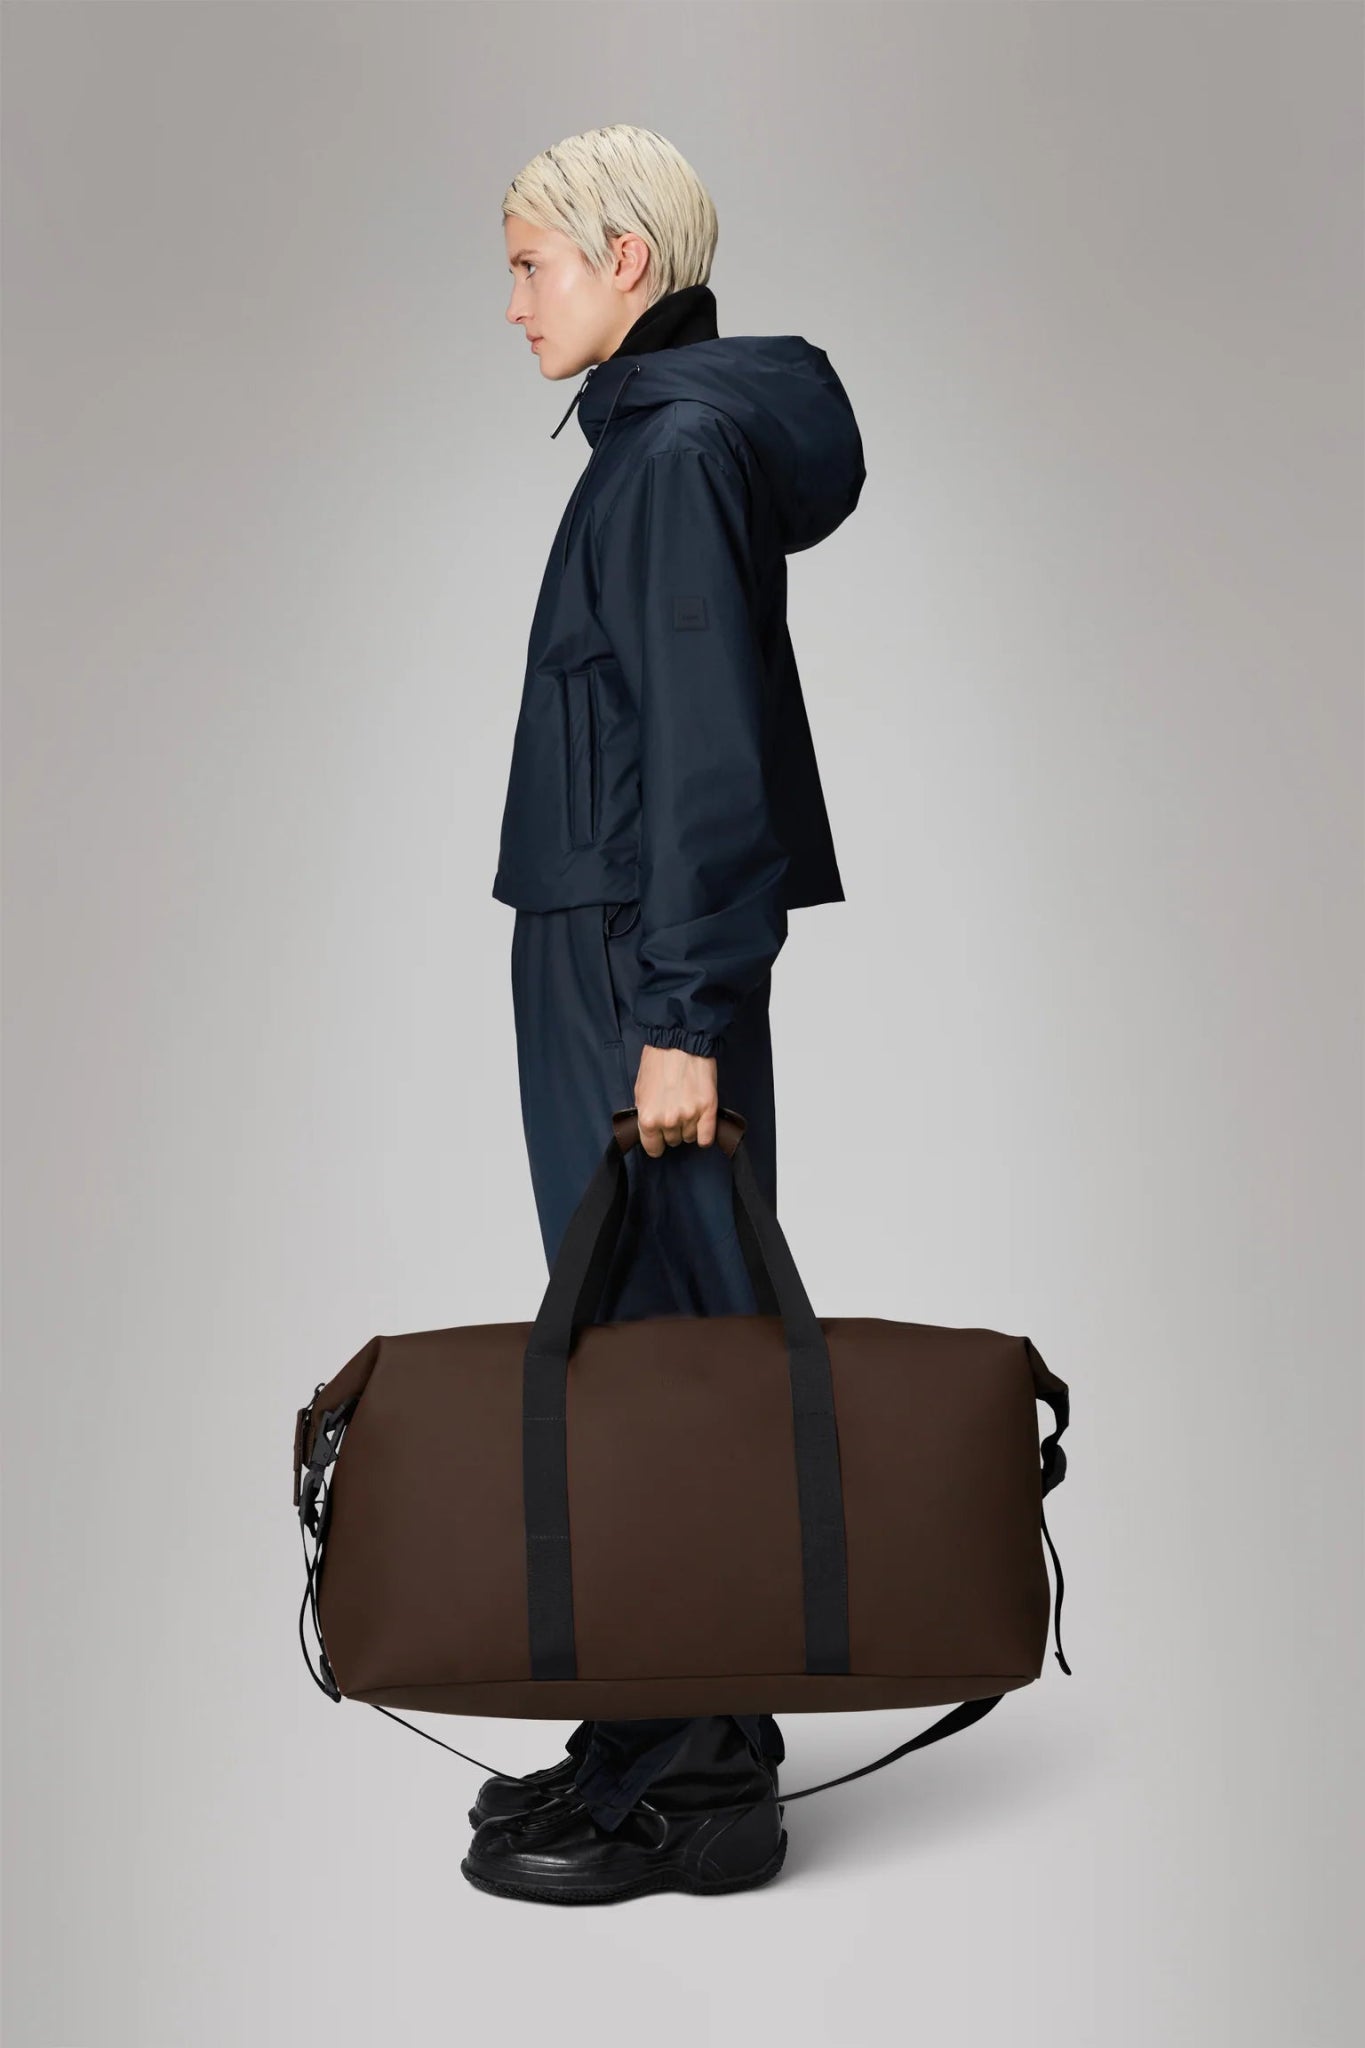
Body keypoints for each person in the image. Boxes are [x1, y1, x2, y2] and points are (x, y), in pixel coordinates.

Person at [461, 124, 864, 1906]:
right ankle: (653, 1730)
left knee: (663, 1346)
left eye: (531, 264)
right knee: (637, 1335)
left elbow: (706, 758)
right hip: (611, 940)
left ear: (624, 261)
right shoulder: (650, 444)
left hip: (638, 956)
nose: (512, 303)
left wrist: (683, 1013)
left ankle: (698, 1787)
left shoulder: (676, 450)